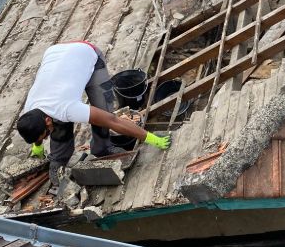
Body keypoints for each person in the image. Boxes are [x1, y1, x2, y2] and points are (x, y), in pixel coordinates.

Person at [16, 41, 170, 187]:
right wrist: (37, 147)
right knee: (60, 125)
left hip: (88, 54)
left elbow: (113, 121)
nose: (46, 138)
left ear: (47, 120)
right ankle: (58, 159)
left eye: (45, 136)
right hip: (57, 56)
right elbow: (36, 126)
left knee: (103, 109)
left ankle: (102, 147)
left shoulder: (67, 108)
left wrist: (152, 138)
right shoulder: (30, 109)